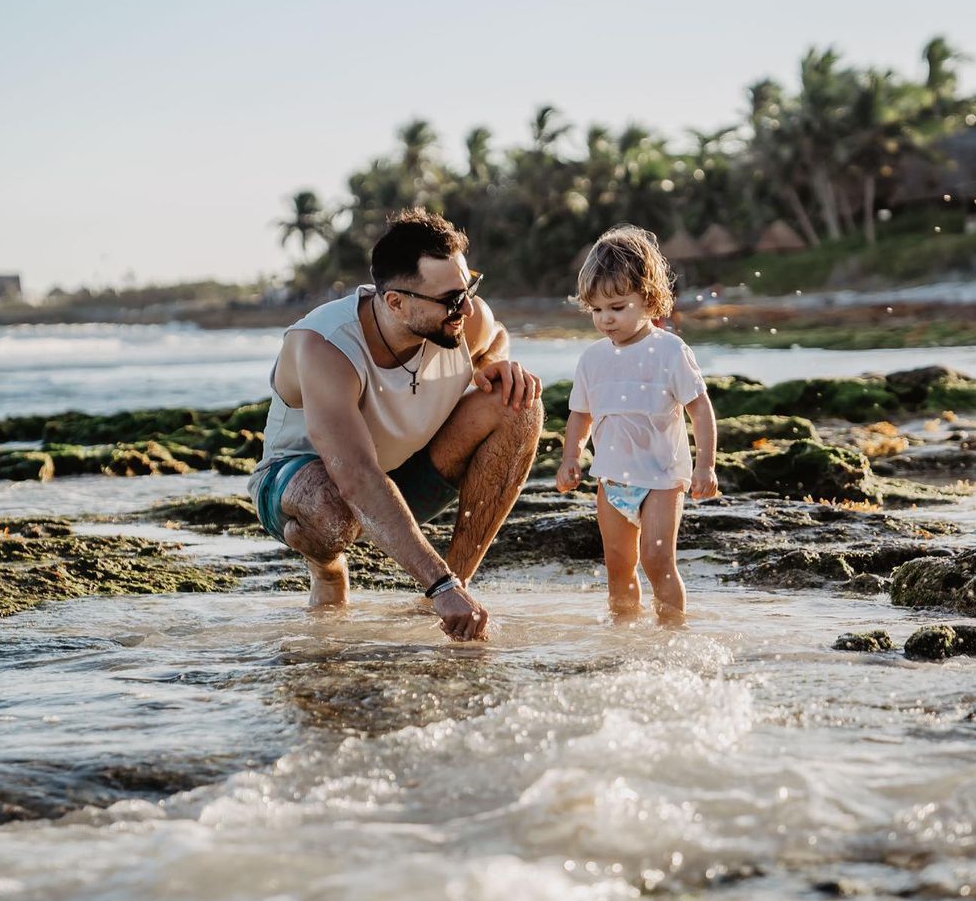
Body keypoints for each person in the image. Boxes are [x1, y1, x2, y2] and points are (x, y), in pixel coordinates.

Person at [249, 208, 543, 641]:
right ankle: (329, 572)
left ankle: (452, 592)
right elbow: (356, 476)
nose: (464, 307)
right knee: (330, 509)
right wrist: (436, 580)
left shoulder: (462, 318)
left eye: (468, 288)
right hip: (304, 484)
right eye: (449, 300)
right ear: (395, 302)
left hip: (403, 474)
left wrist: (490, 364)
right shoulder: (324, 347)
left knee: (518, 405)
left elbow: (495, 336)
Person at [555, 226, 718, 622]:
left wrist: (705, 465)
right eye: (596, 310)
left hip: (662, 479)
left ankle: (671, 634)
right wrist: (570, 456)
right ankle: (624, 636)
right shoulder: (592, 359)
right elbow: (582, 413)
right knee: (618, 566)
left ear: (648, 299)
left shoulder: (669, 351)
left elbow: (700, 410)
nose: (605, 319)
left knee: (657, 561)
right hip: (611, 480)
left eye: (617, 307)